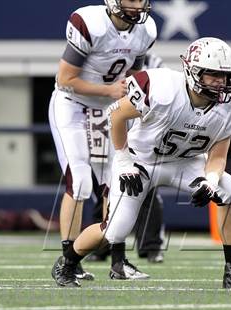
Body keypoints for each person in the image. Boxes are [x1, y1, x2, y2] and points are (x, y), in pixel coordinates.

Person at [51, 37, 231, 289]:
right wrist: (123, 161)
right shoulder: (162, 86)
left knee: (230, 190)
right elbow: (116, 113)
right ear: (191, 71)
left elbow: (219, 155)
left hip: (185, 162)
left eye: (225, 76)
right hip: (140, 161)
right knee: (114, 230)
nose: (221, 83)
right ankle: (66, 264)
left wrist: (210, 180)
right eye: (212, 75)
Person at [48, 0, 156, 282]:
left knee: (119, 180)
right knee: (81, 181)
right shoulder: (89, 22)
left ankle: (118, 261)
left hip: (112, 109)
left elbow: (134, 77)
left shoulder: (146, 30)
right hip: (73, 103)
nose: (137, 5)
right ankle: (69, 259)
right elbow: (64, 79)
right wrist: (108, 90)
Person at [87, 53, 167, 264]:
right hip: (107, 123)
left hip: (141, 131)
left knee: (146, 188)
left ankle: (151, 246)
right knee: (103, 187)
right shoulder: (104, 55)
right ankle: (102, 245)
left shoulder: (153, 63)